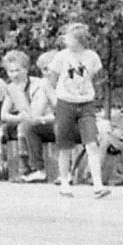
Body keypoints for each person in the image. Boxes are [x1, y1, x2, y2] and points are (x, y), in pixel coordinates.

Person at [46, 23, 109, 197]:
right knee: (65, 145)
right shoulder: (61, 57)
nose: (66, 40)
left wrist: (94, 96)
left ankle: (97, 183)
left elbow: (96, 78)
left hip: (86, 103)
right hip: (65, 103)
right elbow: (51, 80)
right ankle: (65, 181)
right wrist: (55, 100)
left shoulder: (92, 57)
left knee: (91, 142)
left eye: (69, 37)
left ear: (79, 40)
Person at [0, 48, 54, 183]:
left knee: (24, 127)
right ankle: (0, 168)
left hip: (40, 117)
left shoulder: (37, 84)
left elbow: (34, 112)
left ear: (26, 69)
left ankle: (25, 168)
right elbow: (4, 114)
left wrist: (23, 114)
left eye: (17, 70)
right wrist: (17, 118)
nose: (14, 74)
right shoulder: (11, 87)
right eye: (11, 71)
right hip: (20, 117)